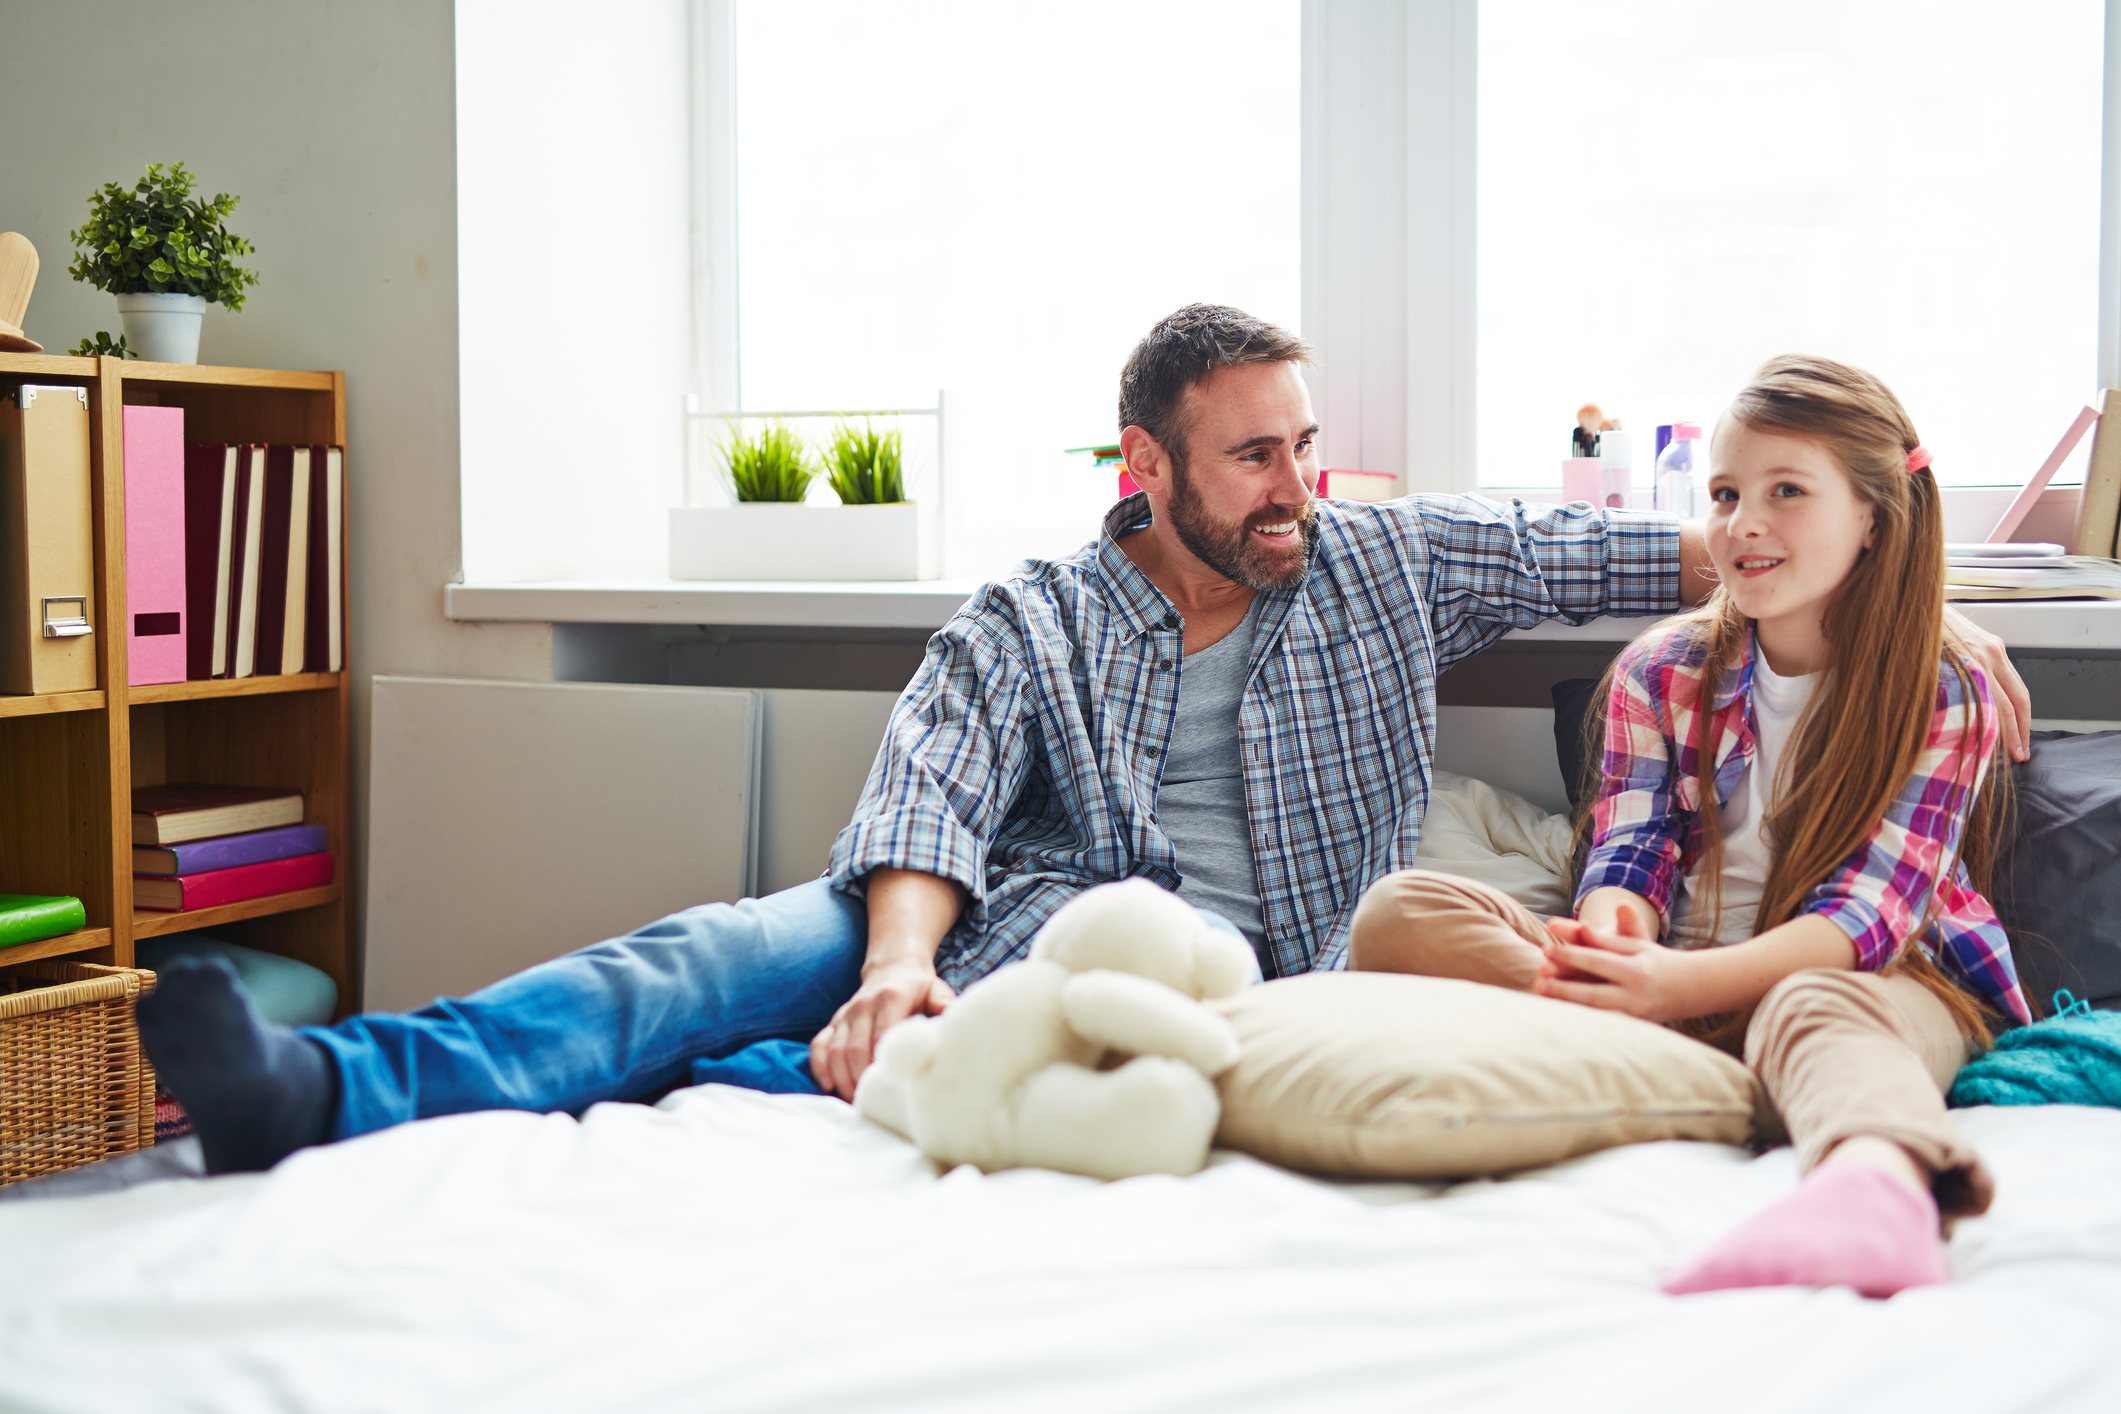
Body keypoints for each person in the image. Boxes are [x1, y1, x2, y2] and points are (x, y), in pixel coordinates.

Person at [137, 312, 2020, 1180]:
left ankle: (748, 1056)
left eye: (1306, 442)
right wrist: (892, 970)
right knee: (720, 950)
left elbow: (1679, 544)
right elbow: (927, 794)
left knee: (739, 1015)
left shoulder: (1374, 561)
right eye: (1255, 455)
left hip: (1244, 985)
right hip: (1017, 929)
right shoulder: (1032, 609)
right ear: (1149, 468)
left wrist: (1916, 565)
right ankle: (325, 1087)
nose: (1300, 485)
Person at [1349, 355, 2031, 1300]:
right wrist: (1619, 931)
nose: (1741, 522)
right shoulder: (1659, 671)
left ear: (1872, 516)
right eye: (1723, 493)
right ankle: (1715, 1070)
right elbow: (1629, 852)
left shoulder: (1941, 690)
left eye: (1785, 491)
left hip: (1870, 983)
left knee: (1809, 1008)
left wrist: (1673, 988)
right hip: (1683, 976)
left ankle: (1873, 1188)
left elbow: (1861, 923)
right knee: (1400, 912)